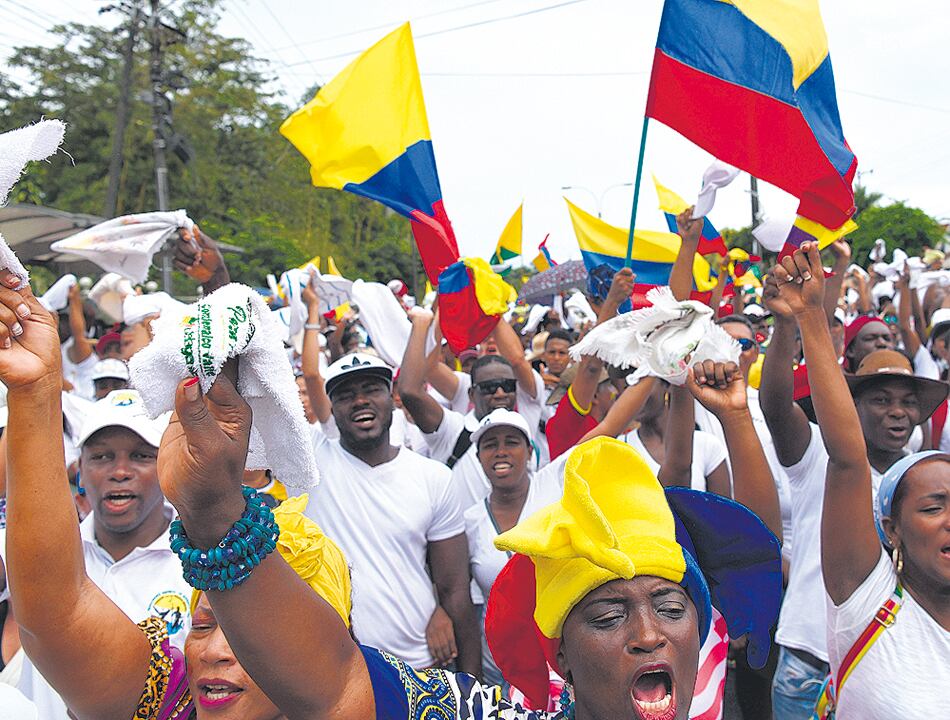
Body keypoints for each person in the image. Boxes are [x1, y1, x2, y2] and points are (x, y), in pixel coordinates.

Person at [760, 262, 949, 719]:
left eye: (908, 403)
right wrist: (795, 322)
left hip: (907, 650)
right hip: (810, 660)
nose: (897, 413)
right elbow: (776, 405)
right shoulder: (819, 458)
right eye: (881, 400)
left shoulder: (921, 471)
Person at [0, 385, 188, 719]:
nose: (119, 472)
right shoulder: (28, 552)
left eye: (141, 456)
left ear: (166, 466)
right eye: (102, 457)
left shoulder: (201, 563)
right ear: (80, 470)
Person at [303, 352, 481, 674]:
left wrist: (473, 683)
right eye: (345, 395)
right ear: (331, 409)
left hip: (421, 666)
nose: (359, 401)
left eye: (371, 389)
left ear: (392, 399)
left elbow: (454, 588)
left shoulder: (433, 478)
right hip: (337, 671)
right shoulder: (308, 467)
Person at [400, 308, 542, 509]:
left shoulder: (525, 435)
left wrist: (491, 305)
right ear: (471, 395)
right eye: (489, 388)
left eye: (508, 386)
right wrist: (426, 321)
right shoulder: (451, 430)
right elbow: (411, 392)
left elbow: (518, 360)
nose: (500, 393)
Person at [464, 409, 566, 685]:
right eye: (490, 445)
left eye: (511, 442)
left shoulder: (553, 488)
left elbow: (605, 430)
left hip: (561, 664)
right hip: (500, 669)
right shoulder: (470, 521)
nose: (500, 451)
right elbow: (460, 598)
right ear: (478, 458)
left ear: (530, 451)